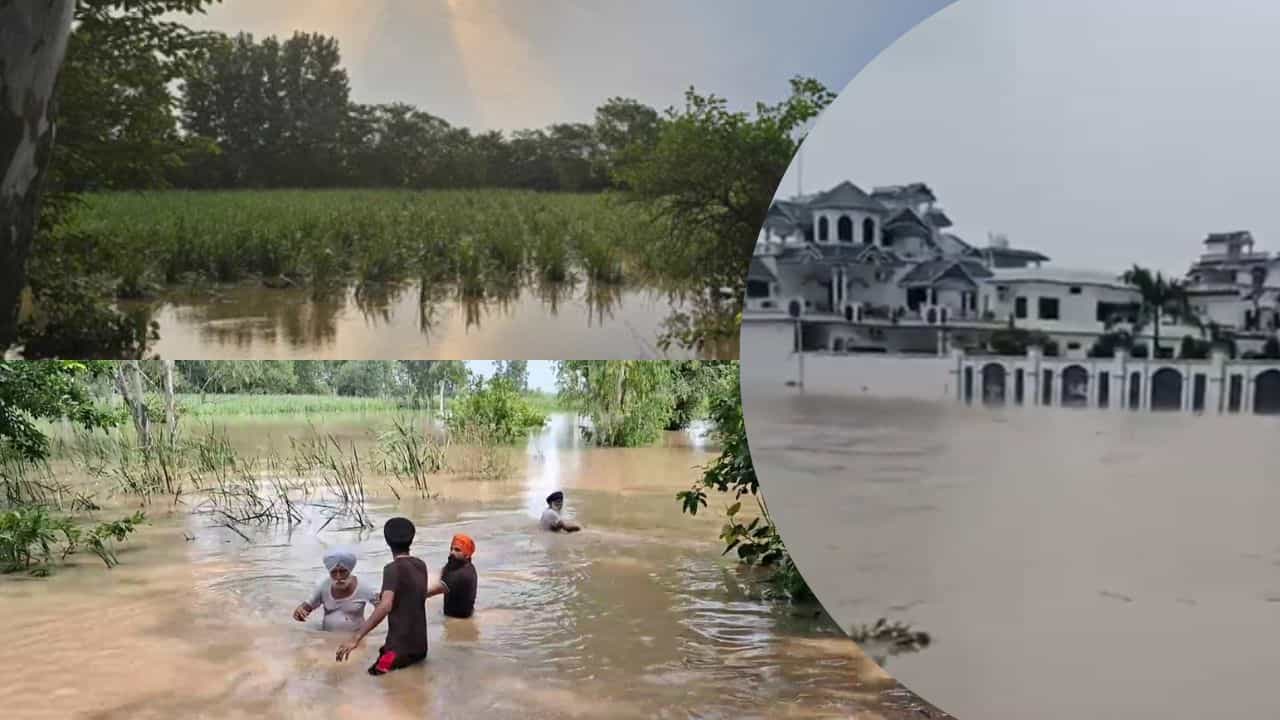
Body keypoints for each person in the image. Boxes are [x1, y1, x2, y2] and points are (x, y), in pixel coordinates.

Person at [336, 517, 446, 675]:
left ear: (387, 541)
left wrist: (356, 637)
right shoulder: (420, 564)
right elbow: (416, 594)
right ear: (412, 538)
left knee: (370, 681)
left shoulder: (391, 569)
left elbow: (386, 605)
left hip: (398, 650)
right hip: (420, 648)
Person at [293, 548, 381, 632]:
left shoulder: (363, 587)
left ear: (350, 570)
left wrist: (366, 630)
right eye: (334, 572)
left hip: (354, 638)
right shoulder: (323, 586)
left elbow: (382, 608)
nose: (338, 577)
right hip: (326, 637)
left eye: (342, 571)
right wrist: (299, 613)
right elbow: (305, 608)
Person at [440, 534, 478, 619]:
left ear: (467, 555)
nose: (452, 552)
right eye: (451, 549)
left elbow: (437, 587)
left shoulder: (464, 574)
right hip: (454, 616)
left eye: (457, 550)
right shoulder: (456, 565)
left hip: (460, 620)